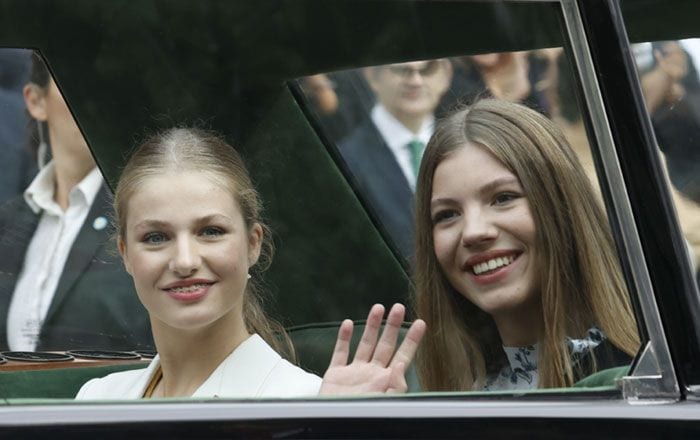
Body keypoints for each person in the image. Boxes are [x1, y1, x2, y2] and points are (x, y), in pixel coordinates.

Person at [76, 127, 425, 399]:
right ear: (124, 253)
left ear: (253, 243)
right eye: (156, 237)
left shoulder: (309, 402)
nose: (184, 261)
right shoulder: (96, 397)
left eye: (210, 231)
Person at [413, 99, 640, 391]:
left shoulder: (641, 380)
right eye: (447, 215)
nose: (473, 232)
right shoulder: (447, 398)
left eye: (503, 198)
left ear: (563, 205)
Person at [0, 52, 152, 351]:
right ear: (35, 101)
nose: (93, 102)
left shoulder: (145, 210)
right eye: (74, 84)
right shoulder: (10, 221)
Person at [339, 59, 453, 259]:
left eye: (428, 68)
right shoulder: (345, 159)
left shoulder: (465, 148)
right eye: (402, 69)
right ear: (373, 76)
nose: (415, 81)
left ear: (445, 76)